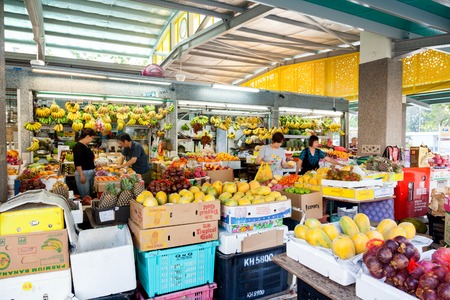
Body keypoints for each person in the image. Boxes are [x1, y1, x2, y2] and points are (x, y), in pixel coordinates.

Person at [73, 128, 96, 200]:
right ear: (87, 136)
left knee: (90, 195)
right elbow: (77, 161)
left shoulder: (85, 145)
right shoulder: (78, 146)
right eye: (92, 138)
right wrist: (81, 175)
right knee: (85, 196)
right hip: (84, 173)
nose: (92, 140)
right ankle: (85, 210)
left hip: (89, 172)